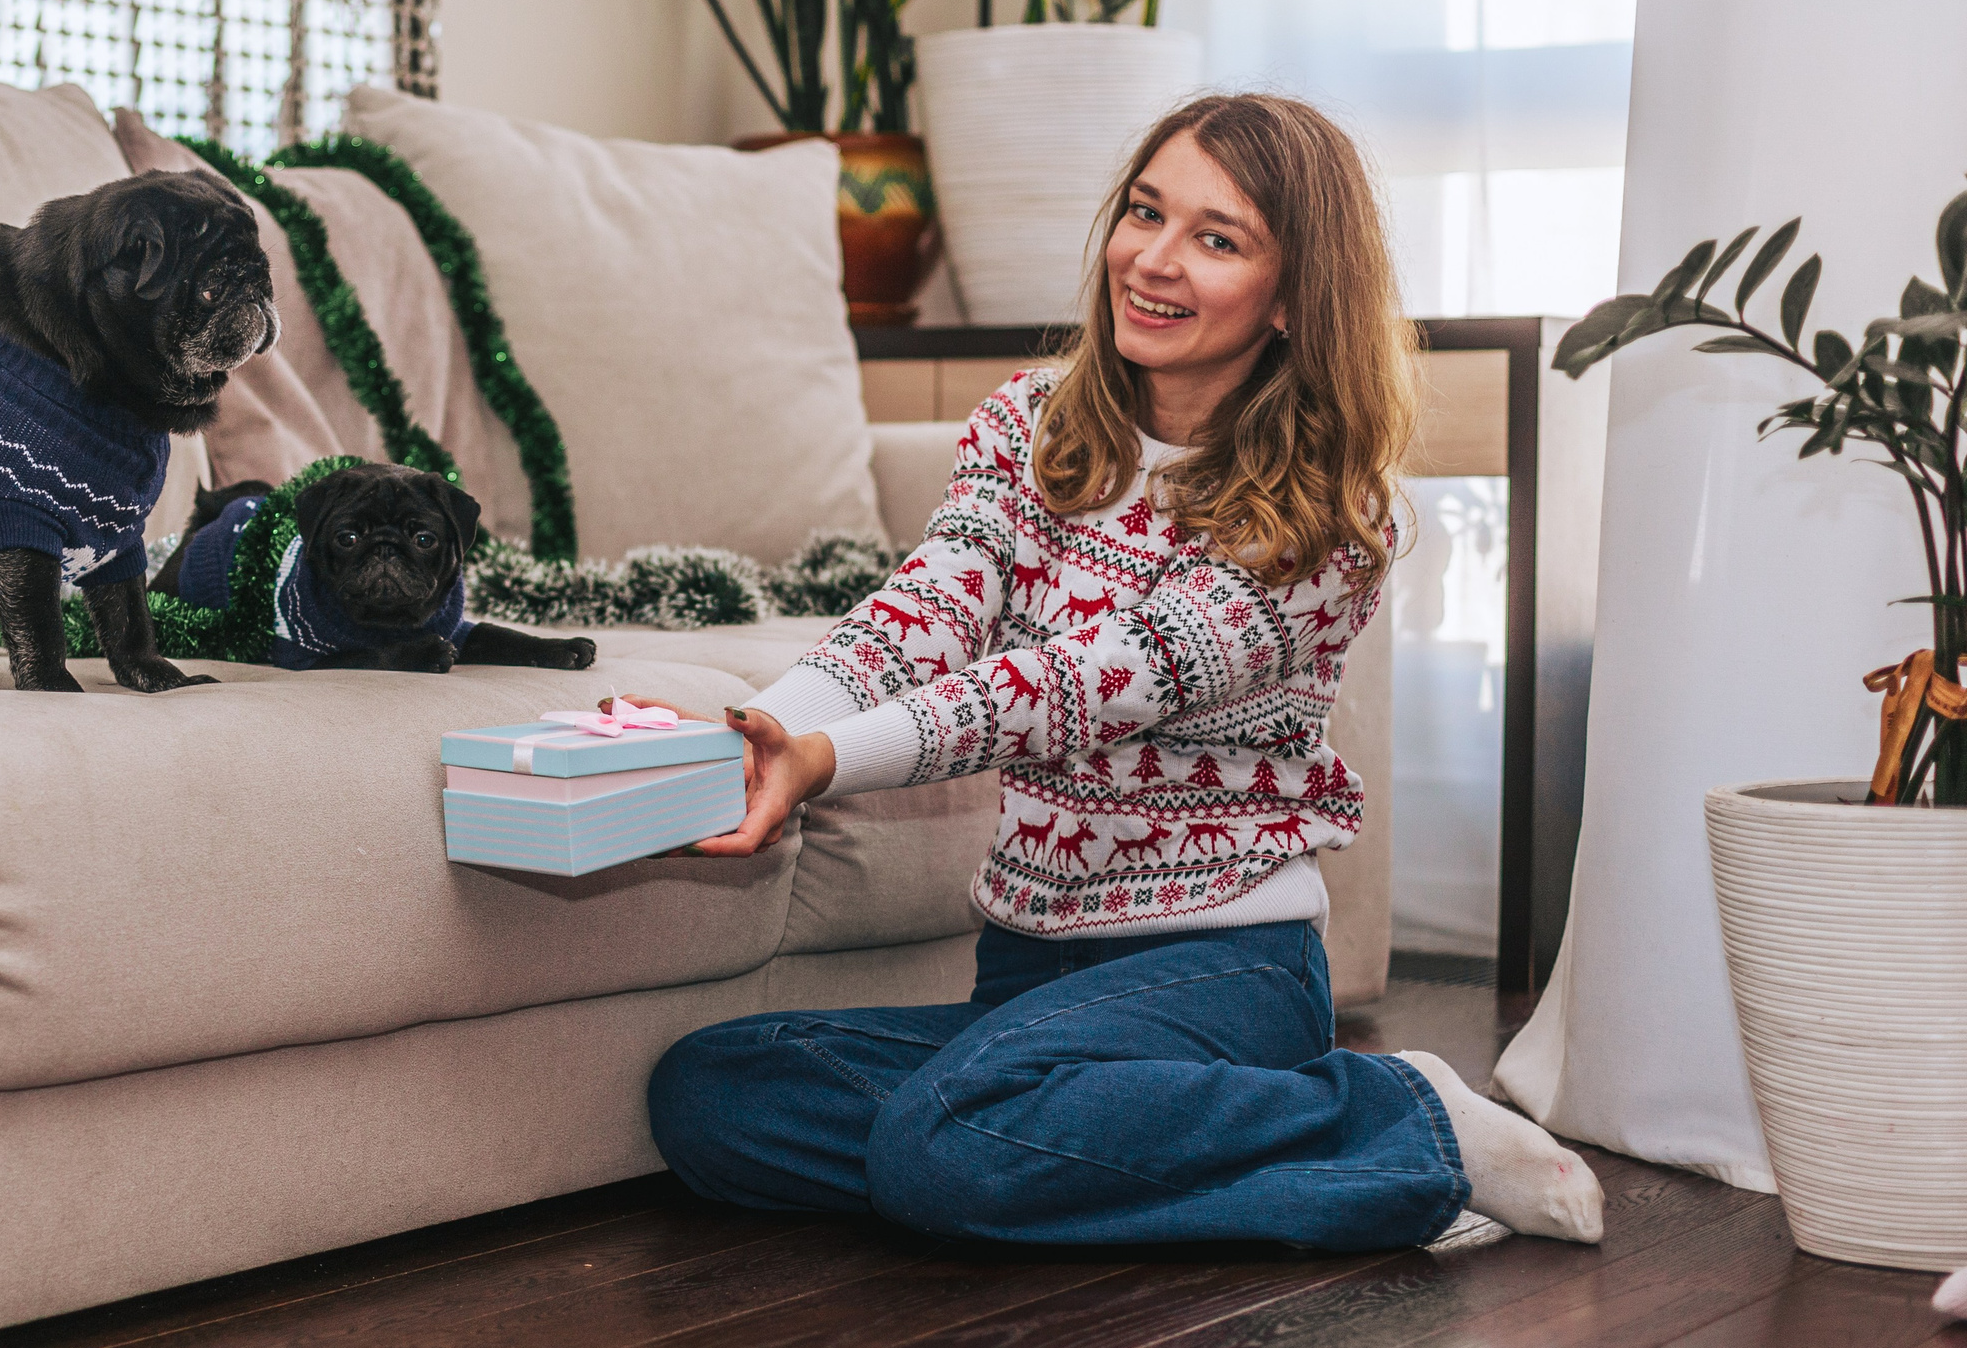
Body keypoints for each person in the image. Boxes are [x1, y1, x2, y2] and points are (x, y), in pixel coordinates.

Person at [634, 93, 1603, 1251]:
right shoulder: (1027, 424)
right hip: (1031, 962)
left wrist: (827, 761)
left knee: (941, 1144)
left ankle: (1399, 1122)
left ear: (1294, 294)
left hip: (1221, 967)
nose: (1151, 258)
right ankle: (1150, 1142)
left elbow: (1074, 684)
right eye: (1145, 211)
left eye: (1216, 237)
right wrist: (757, 733)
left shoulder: (1326, 521)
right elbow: (929, 603)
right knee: (712, 1094)